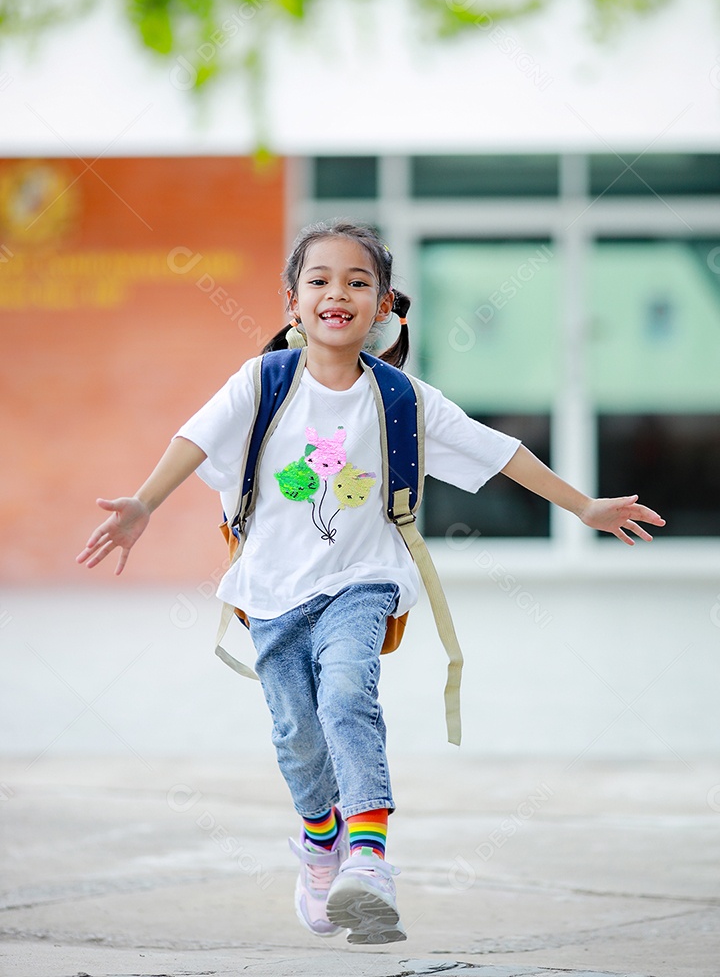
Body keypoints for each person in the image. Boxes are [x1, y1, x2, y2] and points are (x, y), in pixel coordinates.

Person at [77, 220, 665, 945]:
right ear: (292, 300)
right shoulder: (262, 382)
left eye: (358, 282)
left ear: (383, 305)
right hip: (272, 590)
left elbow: (498, 450)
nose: (338, 294)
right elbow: (194, 438)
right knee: (298, 734)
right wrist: (142, 504)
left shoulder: (402, 398)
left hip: (363, 581)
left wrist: (584, 506)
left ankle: (370, 858)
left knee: (348, 695)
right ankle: (320, 838)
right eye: (320, 280)